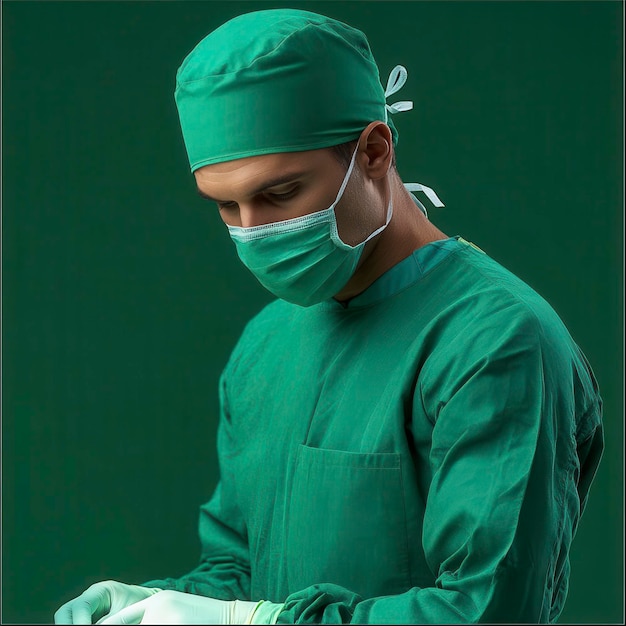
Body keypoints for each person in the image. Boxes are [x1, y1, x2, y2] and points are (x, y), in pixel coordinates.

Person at [54, 8, 604, 625]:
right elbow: (239, 570)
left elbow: (489, 610)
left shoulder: (494, 342)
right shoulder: (266, 344)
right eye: (225, 206)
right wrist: (154, 606)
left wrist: (257, 623)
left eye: (280, 193)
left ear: (373, 150)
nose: (253, 231)